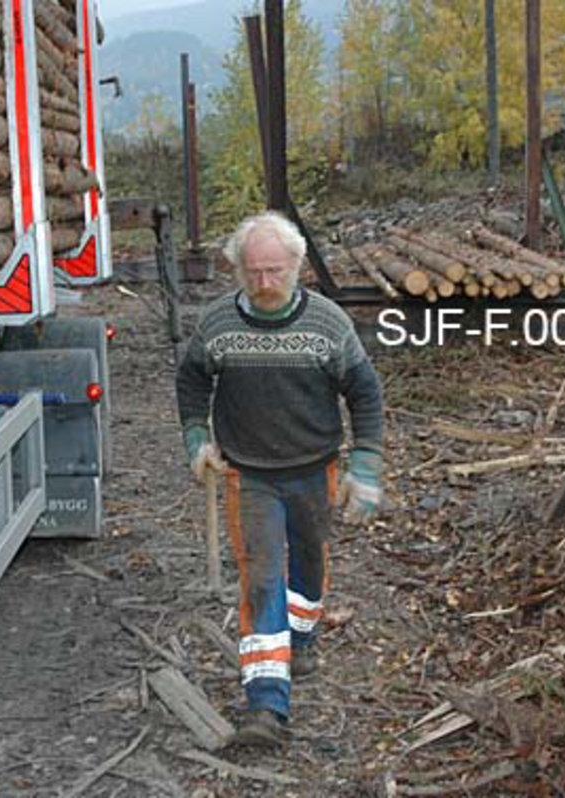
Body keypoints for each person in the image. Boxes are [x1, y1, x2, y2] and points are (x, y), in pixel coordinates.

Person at [175, 211, 385, 747]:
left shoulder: (328, 325)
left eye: (275, 271)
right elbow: (192, 377)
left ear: (297, 267)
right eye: (254, 273)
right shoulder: (219, 324)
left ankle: (302, 636)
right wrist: (197, 437)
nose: (265, 284)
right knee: (262, 577)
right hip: (248, 473)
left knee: (308, 567)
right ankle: (266, 704)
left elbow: (364, 392)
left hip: (314, 467)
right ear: (238, 271)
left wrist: (365, 466)